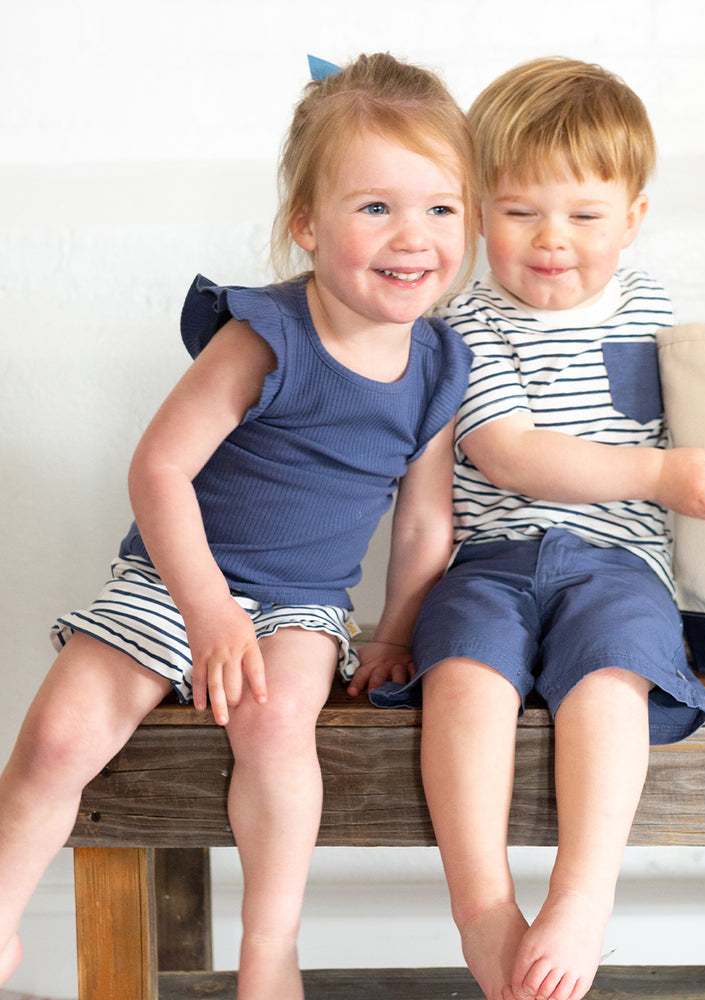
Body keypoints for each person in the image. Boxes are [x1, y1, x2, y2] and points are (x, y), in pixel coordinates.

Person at [0, 53, 475, 1000]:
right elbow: (160, 468)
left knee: (276, 723)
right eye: (375, 207)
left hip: (300, 603)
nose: (411, 235)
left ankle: (270, 946)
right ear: (305, 223)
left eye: (441, 207)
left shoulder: (437, 366)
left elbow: (424, 525)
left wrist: (388, 633)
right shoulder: (267, 332)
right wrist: (206, 608)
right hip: (177, 579)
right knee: (57, 736)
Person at [373, 56, 705, 1000]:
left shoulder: (652, 307)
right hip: (492, 561)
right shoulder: (463, 323)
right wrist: (656, 473)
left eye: (585, 216)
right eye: (518, 212)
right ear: (474, 213)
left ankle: (584, 895)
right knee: (464, 681)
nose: (553, 241)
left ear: (631, 219)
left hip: (621, 565)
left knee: (611, 681)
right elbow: (506, 451)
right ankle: (481, 904)